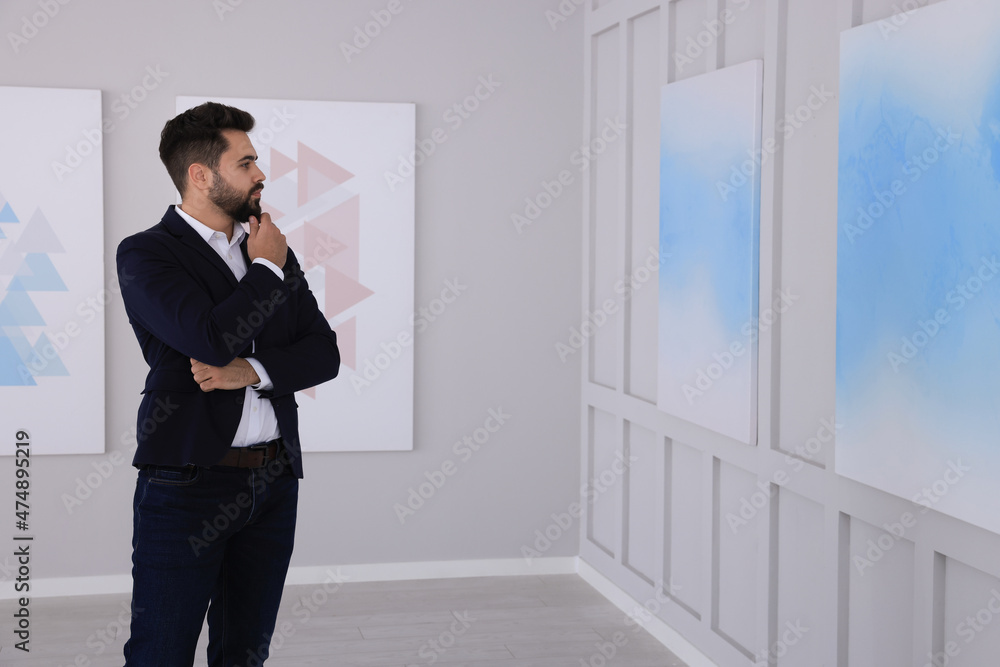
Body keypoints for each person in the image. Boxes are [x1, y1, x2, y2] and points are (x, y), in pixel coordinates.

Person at [116, 101, 340, 666]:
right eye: (246, 163)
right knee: (160, 653)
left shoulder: (268, 246)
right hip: (186, 484)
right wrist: (264, 270)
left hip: (272, 481)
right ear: (201, 175)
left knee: (244, 654)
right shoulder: (146, 253)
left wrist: (252, 372)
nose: (260, 174)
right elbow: (210, 338)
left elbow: (324, 353)